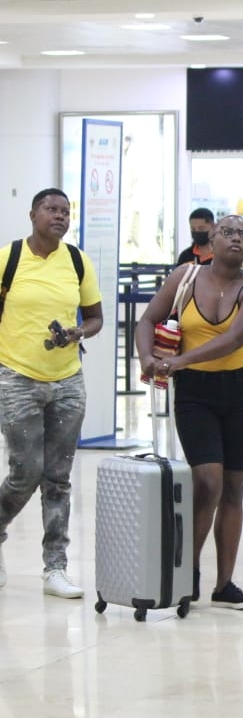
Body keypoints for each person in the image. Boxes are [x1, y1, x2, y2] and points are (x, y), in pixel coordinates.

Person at [136, 215, 243, 609]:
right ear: (212, 238)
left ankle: (224, 584)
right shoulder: (186, 277)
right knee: (206, 481)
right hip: (195, 394)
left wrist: (178, 361)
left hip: (239, 393)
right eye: (228, 232)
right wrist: (147, 357)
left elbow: (235, 337)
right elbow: (148, 319)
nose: (237, 240)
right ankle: (187, 572)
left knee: (233, 487)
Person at [0, 188, 103, 598]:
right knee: (25, 472)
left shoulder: (77, 261)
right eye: (51, 210)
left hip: (67, 381)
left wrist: (79, 332)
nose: (60, 217)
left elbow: (95, 317)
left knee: (58, 478)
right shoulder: (8, 259)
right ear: (33, 215)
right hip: (17, 377)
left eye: (65, 211)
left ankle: (55, 567)